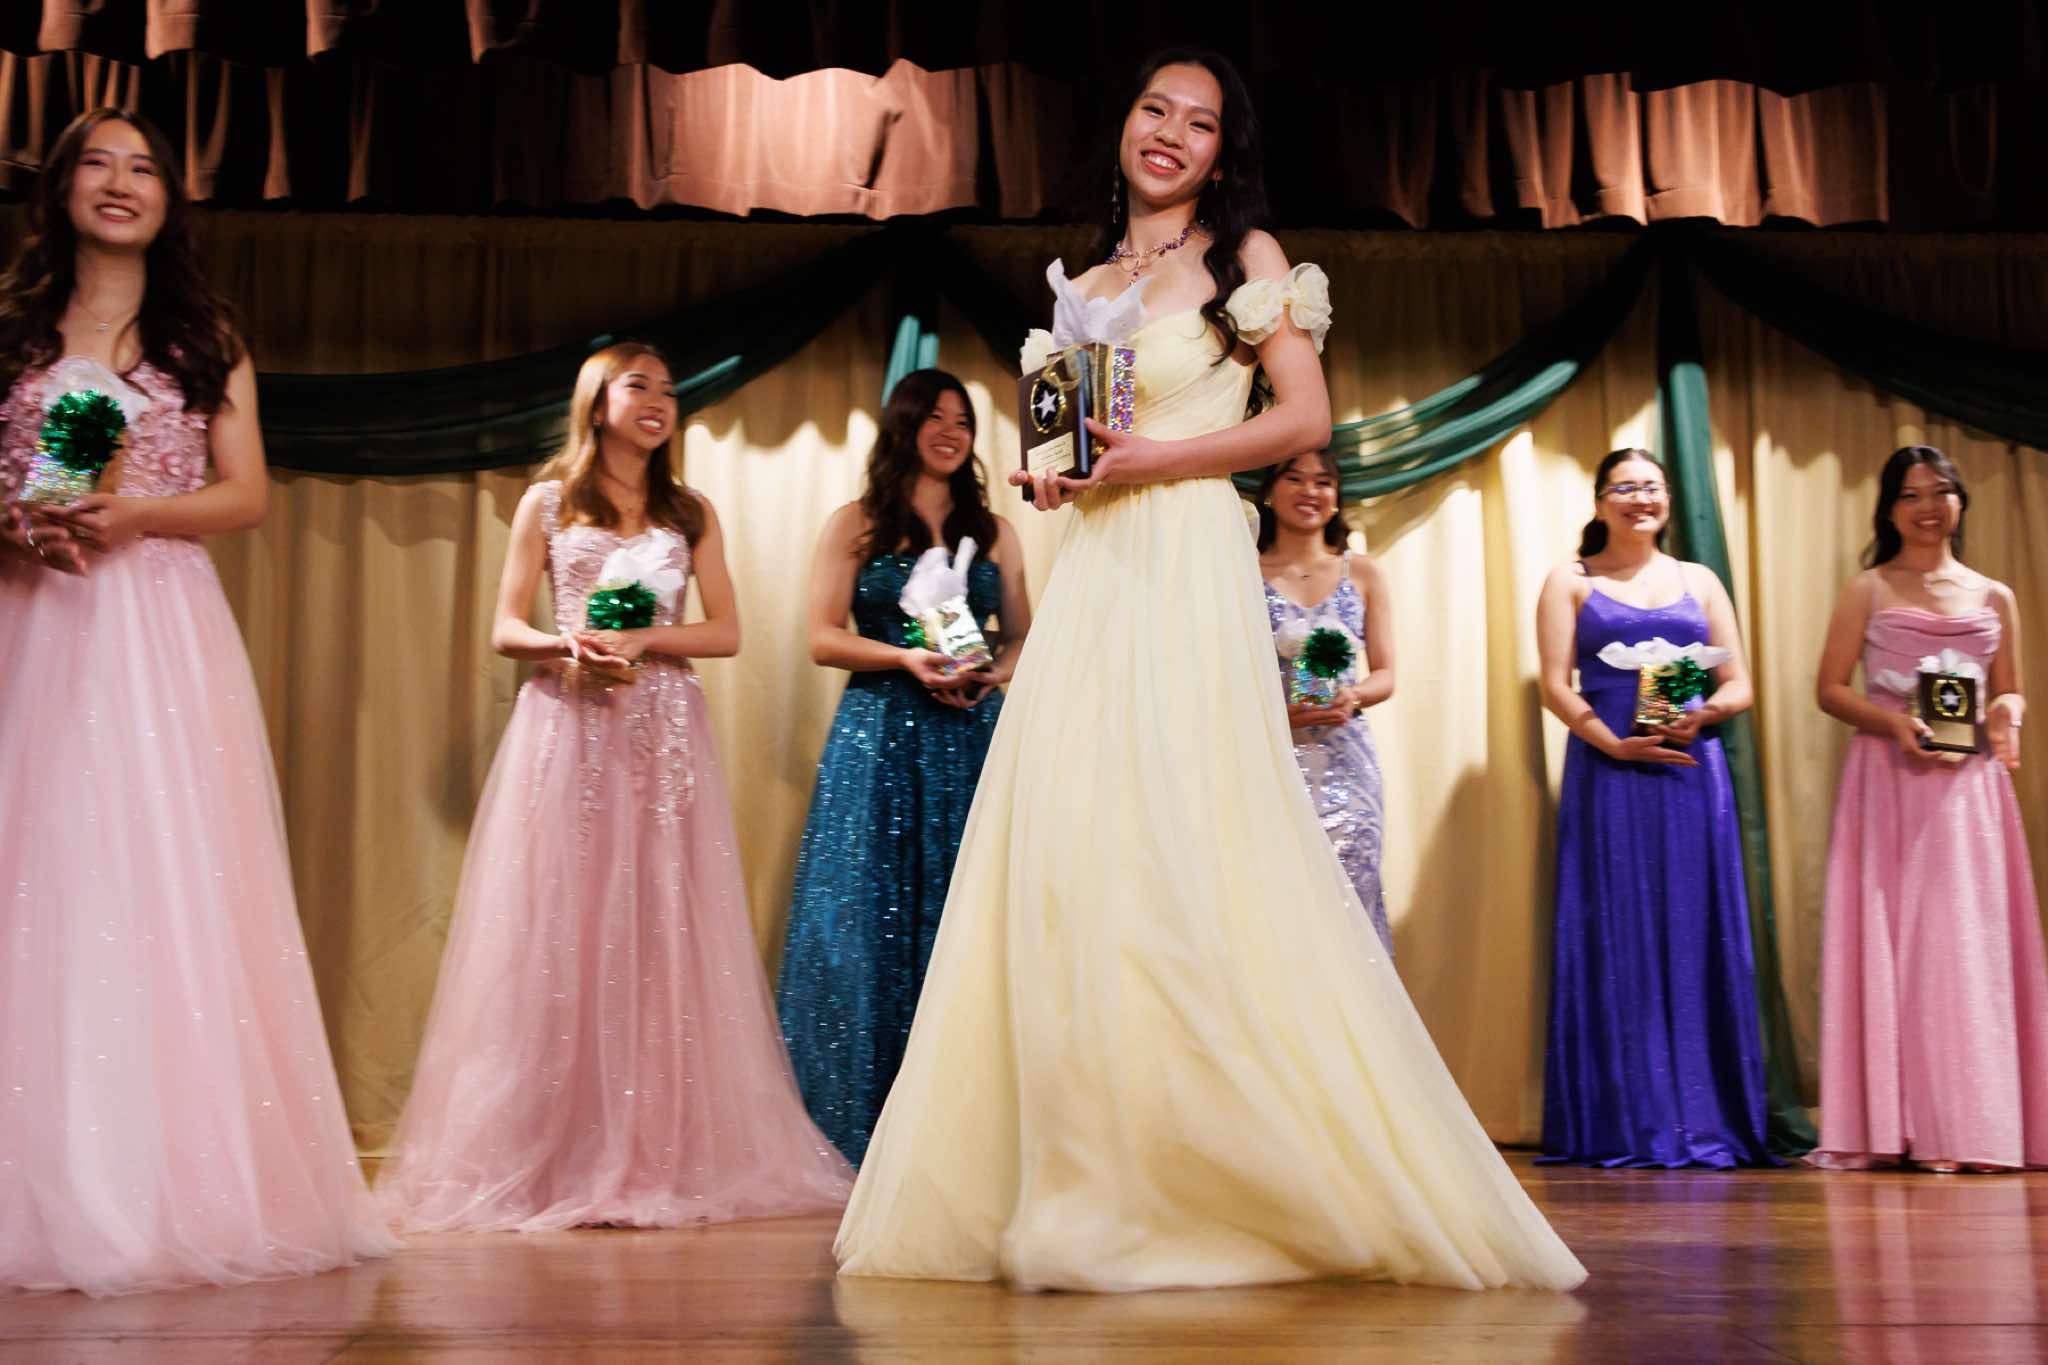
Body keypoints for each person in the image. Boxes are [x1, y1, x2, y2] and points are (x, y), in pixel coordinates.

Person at [833, 48, 1585, 1293]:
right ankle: (1084, 1166)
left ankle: (1229, 1174)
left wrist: (1155, 463)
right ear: (1123, 125)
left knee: (1191, 842)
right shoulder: (1081, 282)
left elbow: (1303, 420)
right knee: (1078, 855)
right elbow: (1073, 448)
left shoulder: (1245, 261)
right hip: (1096, 574)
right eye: (1153, 110)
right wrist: (1059, 475)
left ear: (1222, 153)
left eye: (1198, 121)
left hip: (1184, 560)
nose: (1170, 133)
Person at [0, 108, 396, 1295]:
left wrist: (136, 515)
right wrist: (19, 523)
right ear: (60, 187)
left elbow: (247, 495)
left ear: (171, 198)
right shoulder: (13, 331)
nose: (120, 182)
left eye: (144, 167)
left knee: (159, 868)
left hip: (159, 626)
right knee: (37, 865)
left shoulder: (203, 338)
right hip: (30, 614)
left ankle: (170, 1176)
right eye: (96, 163)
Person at [376, 342, 852, 1231]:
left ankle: (653, 1145)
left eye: (669, 389)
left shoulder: (689, 510)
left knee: (660, 918)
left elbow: (726, 630)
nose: (659, 400)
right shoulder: (549, 501)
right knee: (564, 917)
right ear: (597, 402)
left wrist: (646, 641)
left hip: (662, 729)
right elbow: (506, 626)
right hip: (569, 721)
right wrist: (568, 645)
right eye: (640, 386)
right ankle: (550, 1147)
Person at [778, 369, 1031, 1165]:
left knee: (968, 910)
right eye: (935, 417)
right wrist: (905, 657)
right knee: (866, 917)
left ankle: (964, 1122)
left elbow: (1024, 634)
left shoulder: (995, 530)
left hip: (969, 735)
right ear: (905, 425)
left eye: (963, 420)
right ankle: (861, 1117)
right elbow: (822, 636)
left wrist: (991, 671)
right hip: (880, 731)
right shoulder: (856, 523)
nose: (950, 432)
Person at [1533, 448, 1773, 1168]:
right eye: (1625, 487)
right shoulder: (1570, 580)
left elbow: (1739, 684)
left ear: (1667, 498)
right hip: (1608, 772)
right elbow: (1555, 685)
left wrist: (1704, 714)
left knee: (1694, 928)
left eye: (1652, 486)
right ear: (1600, 501)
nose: (1641, 498)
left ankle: (1705, 1113)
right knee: (1619, 930)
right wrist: (1613, 742)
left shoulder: (1700, 580)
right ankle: (1624, 1118)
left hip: (1692, 775)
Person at [1811, 445, 2046, 1172]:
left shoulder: (1994, 595)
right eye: (1911, 494)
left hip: (1969, 787)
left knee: (1965, 945)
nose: (1928, 506)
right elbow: (1830, 689)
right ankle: (1898, 1123)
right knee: (1895, 943)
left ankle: (1973, 1125)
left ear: (1960, 502)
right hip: (1889, 780)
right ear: (1889, 510)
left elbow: (2010, 688)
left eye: (1941, 491)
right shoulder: (1869, 588)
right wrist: (1893, 724)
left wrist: (2007, 714)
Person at [1254, 448, 1395, 954]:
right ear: (1269, 493)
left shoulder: (1363, 572)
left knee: (1351, 899)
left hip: (1348, 763)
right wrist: (1273, 712)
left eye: (1323, 482)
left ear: (1336, 498)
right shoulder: (1240, 572)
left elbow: (1386, 674)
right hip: (1268, 762)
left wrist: (1353, 695)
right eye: (1295, 479)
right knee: (1275, 902)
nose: (1310, 491)